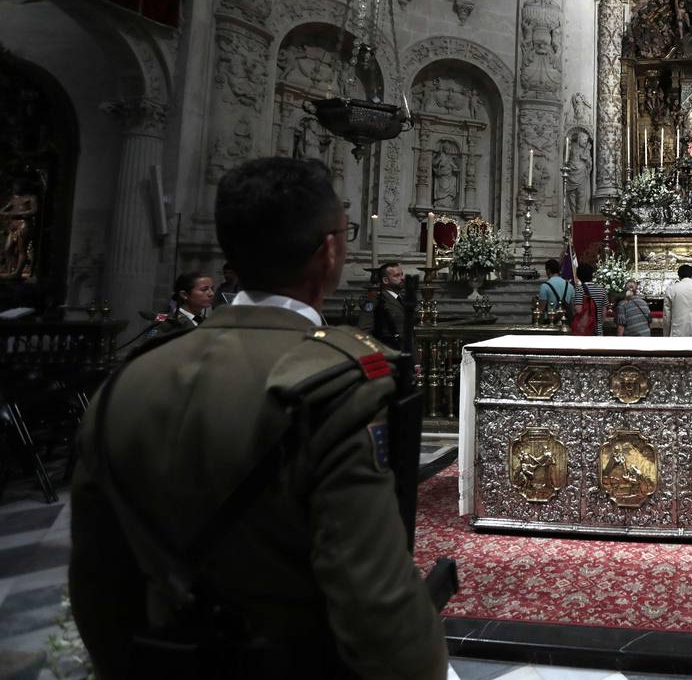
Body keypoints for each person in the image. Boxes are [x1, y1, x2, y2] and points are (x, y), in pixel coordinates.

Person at [69, 157, 448, 679]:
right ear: (331, 252)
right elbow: (377, 605)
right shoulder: (336, 385)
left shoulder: (126, 381)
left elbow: (96, 581)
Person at [370, 261, 406, 349]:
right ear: (385, 280)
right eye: (397, 275)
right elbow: (364, 330)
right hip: (387, 353)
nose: (402, 278)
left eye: (402, 274)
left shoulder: (402, 299)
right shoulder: (377, 300)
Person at [574, 262, 609, 336]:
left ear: (578, 275)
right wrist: (599, 324)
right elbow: (604, 312)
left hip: (584, 330)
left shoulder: (579, 289)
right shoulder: (602, 289)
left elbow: (578, 310)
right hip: (597, 330)